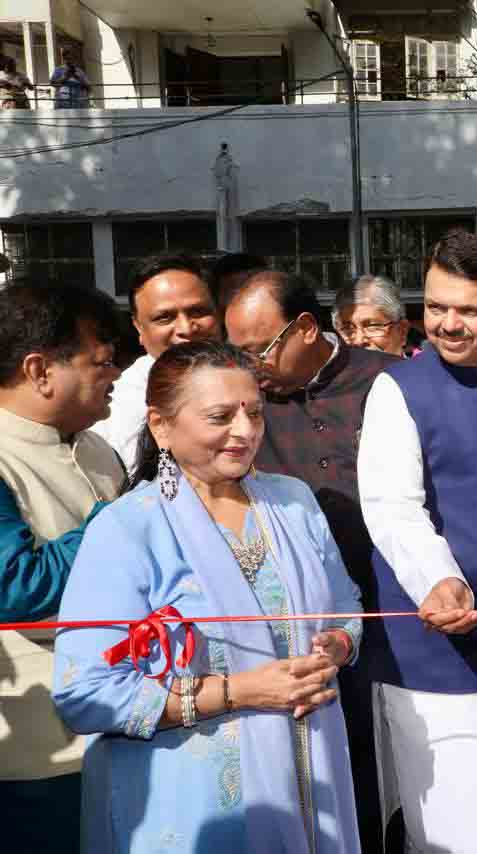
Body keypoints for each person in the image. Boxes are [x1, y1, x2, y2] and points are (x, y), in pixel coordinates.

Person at [52, 340, 364, 852]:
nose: (245, 432)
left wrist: (335, 646)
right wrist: (241, 691)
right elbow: (85, 692)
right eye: (220, 416)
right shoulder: (129, 528)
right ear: (161, 426)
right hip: (191, 802)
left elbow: (346, 606)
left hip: (312, 779)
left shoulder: (294, 502)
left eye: (256, 414)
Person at [357, 230, 477, 854]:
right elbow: (393, 508)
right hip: (441, 659)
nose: (447, 324)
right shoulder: (397, 390)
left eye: (468, 310)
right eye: (436, 306)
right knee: (458, 834)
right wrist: (440, 581)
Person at [223, 270, 395, 854]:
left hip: (399, 610)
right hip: (306, 632)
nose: (251, 366)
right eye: (237, 353)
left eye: (258, 350)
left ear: (304, 328)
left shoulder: (388, 382)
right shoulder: (247, 409)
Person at [0, 282, 125, 853]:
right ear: (39, 369)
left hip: (122, 720)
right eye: (101, 361)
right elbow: (16, 589)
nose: (117, 373)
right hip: (35, 754)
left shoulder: (97, 449)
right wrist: (117, 526)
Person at [90, 254, 220, 475]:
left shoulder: (255, 383)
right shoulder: (116, 408)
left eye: (198, 312)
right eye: (165, 317)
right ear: (139, 328)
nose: (186, 329)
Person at [332, 274, 412, 358]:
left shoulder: (422, 371)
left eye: (372, 326)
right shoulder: (329, 371)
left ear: (402, 331)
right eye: (347, 329)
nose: (359, 341)